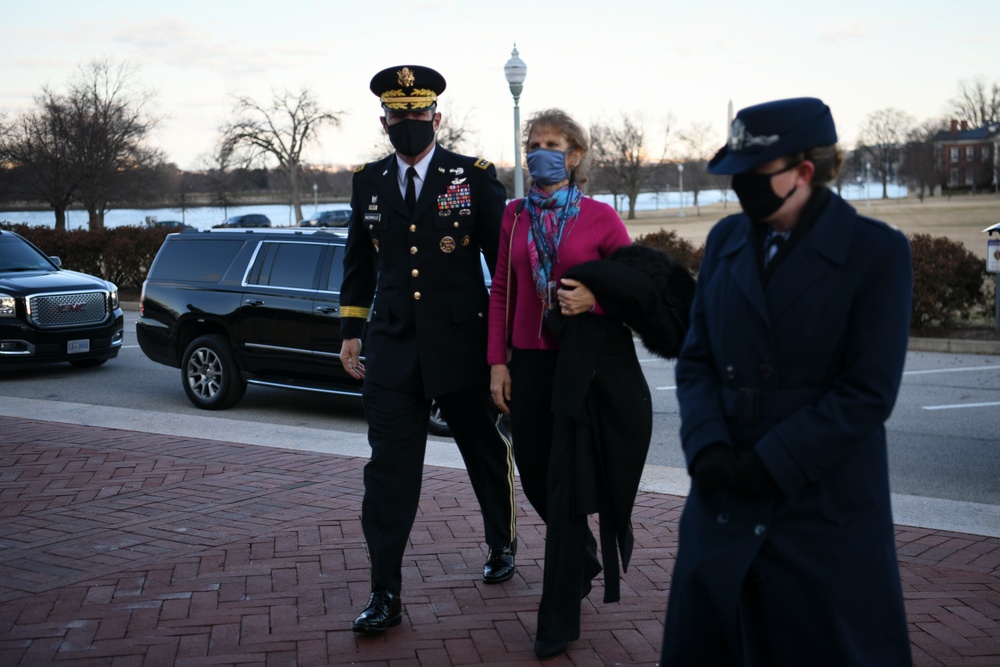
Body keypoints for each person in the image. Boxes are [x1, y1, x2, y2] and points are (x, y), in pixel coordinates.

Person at [660, 97, 913, 666]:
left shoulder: (876, 253)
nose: (740, 190)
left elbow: (867, 392)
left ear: (803, 172)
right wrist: (706, 446)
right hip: (722, 495)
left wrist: (771, 463)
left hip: (819, 505)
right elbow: (696, 357)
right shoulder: (727, 240)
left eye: (754, 177)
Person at [488, 109, 695, 658]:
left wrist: (593, 299)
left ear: (575, 155)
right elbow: (502, 293)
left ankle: (557, 620)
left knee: (563, 486)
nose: (539, 152)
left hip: (583, 369)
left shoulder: (602, 218)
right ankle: (580, 553)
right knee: (533, 476)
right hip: (527, 365)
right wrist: (497, 362)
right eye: (532, 143)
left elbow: (633, 293)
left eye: (551, 143)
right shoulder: (513, 216)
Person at [339, 65, 518, 635]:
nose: (409, 123)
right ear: (385, 120)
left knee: (485, 454)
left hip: (462, 345)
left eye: (419, 114)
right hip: (392, 349)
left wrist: (504, 350)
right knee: (389, 474)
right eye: (399, 115)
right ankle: (384, 592)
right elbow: (358, 262)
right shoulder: (367, 182)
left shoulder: (474, 176)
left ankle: (501, 540)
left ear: (436, 117)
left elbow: (505, 265)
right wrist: (350, 329)